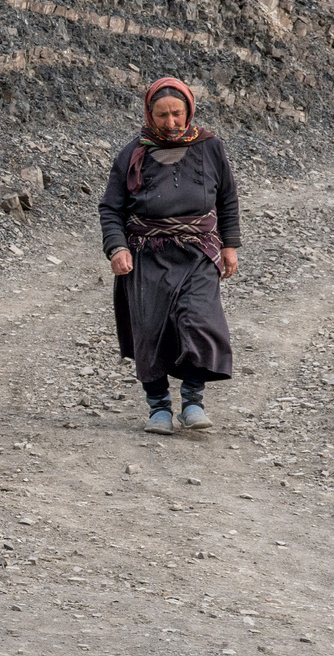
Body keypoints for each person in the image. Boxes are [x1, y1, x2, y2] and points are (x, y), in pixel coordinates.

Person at [96, 77, 239, 433]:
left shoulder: (210, 147)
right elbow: (111, 208)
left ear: (189, 110)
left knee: (200, 322)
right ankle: (158, 408)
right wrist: (117, 247)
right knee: (151, 330)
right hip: (148, 254)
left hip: (199, 252)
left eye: (178, 113)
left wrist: (229, 245)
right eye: (162, 115)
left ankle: (193, 401)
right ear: (149, 113)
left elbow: (227, 199)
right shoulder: (132, 153)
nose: (171, 122)